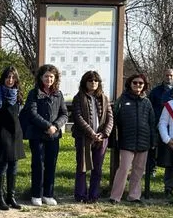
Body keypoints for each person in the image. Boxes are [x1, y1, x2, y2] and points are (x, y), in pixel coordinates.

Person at [21, 64, 68, 206]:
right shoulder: (33, 93)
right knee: (38, 165)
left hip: (54, 136)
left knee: (51, 164)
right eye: (46, 76)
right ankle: (36, 194)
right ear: (41, 77)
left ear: (55, 78)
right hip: (37, 135)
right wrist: (47, 126)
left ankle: (48, 194)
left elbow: (64, 114)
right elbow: (32, 113)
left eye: (51, 76)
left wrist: (56, 126)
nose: (49, 79)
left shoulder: (58, 94)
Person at [109, 74, 156, 204]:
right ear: (130, 83)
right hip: (126, 141)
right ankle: (115, 196)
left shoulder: (147, 102)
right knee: (124, 169)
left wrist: (153, 141)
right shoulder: (122, 100)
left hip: (143, 141)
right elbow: (114, 121)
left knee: (139, 170)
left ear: (144, 86)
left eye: (140, 83)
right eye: (135, 82)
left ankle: (134, 196)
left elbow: (152, 122)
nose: (137, 85)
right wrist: (114, 140)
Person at [71, 70, 113, 203]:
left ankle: (94, 196)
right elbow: (78, 117)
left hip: (101, 139)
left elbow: (110, 118)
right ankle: (80, 195)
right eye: (90, 80)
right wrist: (91, 133)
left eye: (96, 80)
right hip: (84, 138)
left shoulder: (104, 98)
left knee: (97, 168)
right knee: (82, 167)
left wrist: (104, 133)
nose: (93, 83)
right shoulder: (78, 97)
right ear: (85, 82)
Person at [0, 66, 25, 210]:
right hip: (1, 132)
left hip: (15, 133)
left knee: (14, 166)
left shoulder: (17, 94)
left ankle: (11, 196)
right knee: (2, 165)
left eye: (13, 77)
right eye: (8, 77)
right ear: (3, 78)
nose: (10, 80)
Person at [148, 68, 173, 177]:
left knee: (170, 150)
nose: (169, 77)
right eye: (167, 75)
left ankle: (168, 174)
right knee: (154, 148)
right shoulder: (156, 91)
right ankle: (151, 169)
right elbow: (150, 106)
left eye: (171, 75)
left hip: (172, 126)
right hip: (157, 123)